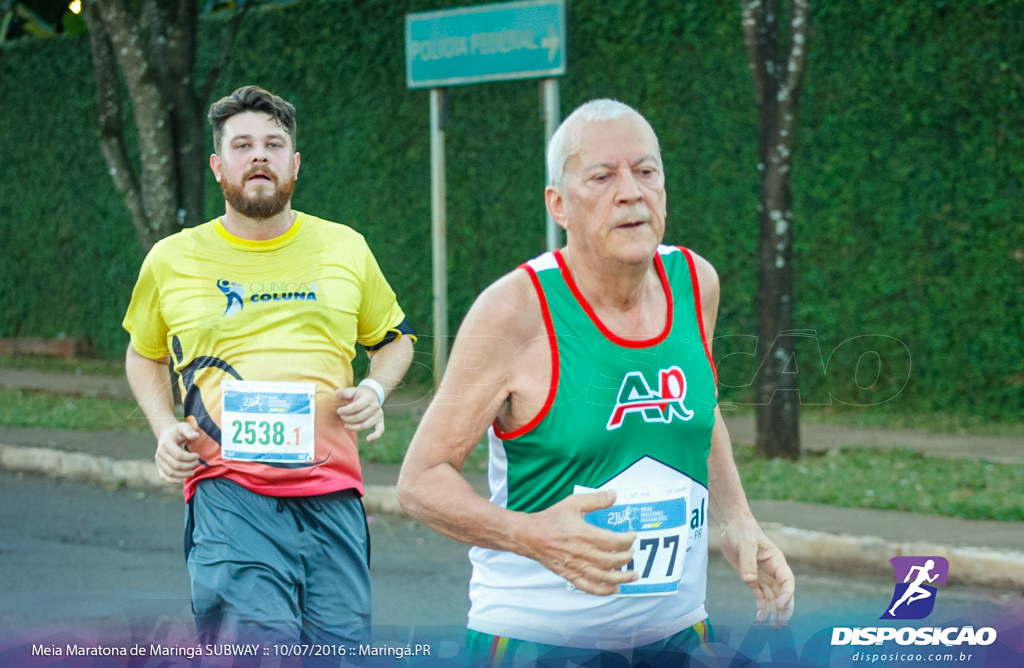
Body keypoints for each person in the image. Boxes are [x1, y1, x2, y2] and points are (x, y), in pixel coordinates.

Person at [397, 98, 794, 666]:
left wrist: (736, 519)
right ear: (558, 204)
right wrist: (530, 535)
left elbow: (699, 411)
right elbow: (419, 481)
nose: (630, 191)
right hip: (539, 640)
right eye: (603, 176)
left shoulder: (694, 282)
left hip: (678, 634)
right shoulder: (515, 312)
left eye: (646, 171)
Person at [123, 85, 415, 650]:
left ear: (294, 163)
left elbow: (394, 340)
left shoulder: (345, 247)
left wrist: (376, 389)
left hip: (333, 496)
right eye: (243, 145)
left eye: (274, 144)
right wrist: (163, 429)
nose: (259, 155)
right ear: (217, 165)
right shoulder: (172, 259)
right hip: (229, 493)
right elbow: (144, 352)